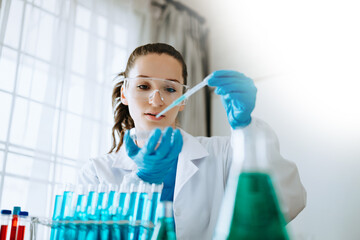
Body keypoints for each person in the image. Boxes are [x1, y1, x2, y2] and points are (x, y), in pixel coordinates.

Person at [78, 43, 306, 239]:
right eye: (143, 86)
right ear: (124, 94)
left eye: (169, 88)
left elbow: (287, 201)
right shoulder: (97, 174)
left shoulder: (223, 153)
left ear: (182, 99)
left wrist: (244, 128)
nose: (156, 100)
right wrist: (143, 182)